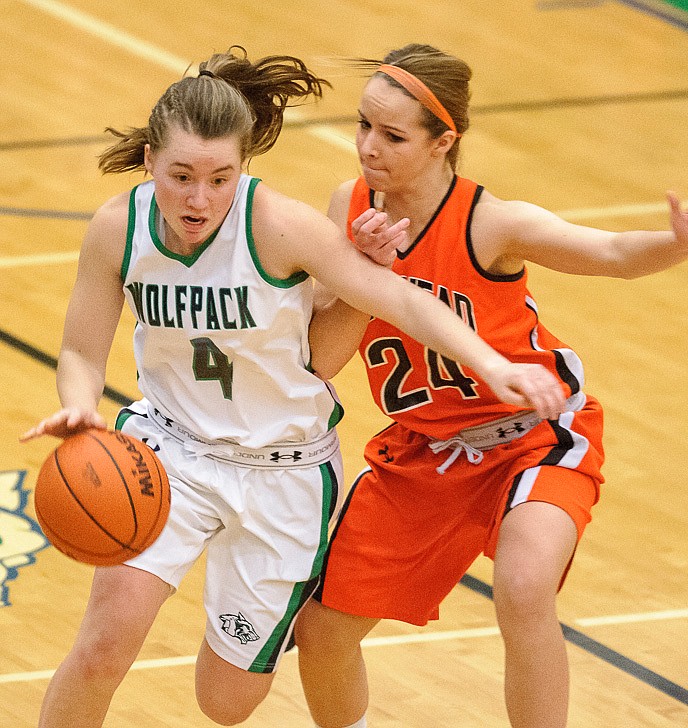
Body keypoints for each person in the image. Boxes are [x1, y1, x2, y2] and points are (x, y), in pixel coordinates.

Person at [20, 46, 570, 728]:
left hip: (283, 475)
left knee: (226, 704)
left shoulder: (278, 226)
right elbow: (81, 347)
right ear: (148, 164)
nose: (200, 199)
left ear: (243, 169)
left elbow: (398, 299)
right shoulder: (117, 228)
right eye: (182, 176)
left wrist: (493, 364)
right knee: (104, 647)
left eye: (220, 178)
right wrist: (78, 403)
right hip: (168, 452)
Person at [294, 44, 688, 728]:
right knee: (323, 633)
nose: (367, 148)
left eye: (392, 135)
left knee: (525, 587)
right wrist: (357, 271)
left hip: (533, 436)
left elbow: (612, 255)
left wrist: (684, 242)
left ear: (445, 141)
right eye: (363, 126)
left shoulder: (488, 223)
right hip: (424, 453)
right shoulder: (348, 208)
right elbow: (321, 359)